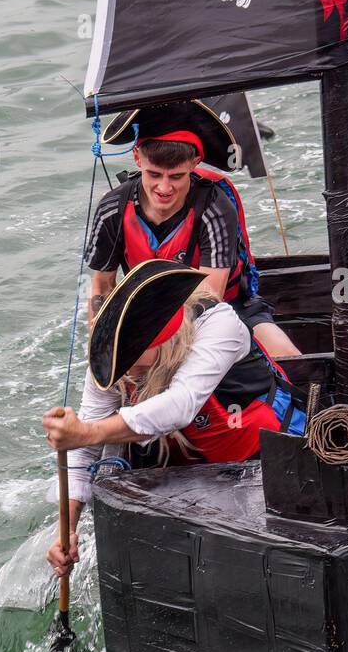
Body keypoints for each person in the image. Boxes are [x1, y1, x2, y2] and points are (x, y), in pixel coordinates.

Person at [43, 260, 306, 577]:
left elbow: (182, 403)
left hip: (269, 460)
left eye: (136, 368)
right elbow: (83, 450)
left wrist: (88, 432)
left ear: (166, 343)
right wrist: (67, 528)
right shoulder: (113, 361)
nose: (127, 376)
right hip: (194, 476)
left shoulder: (219, 325)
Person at [84, 98, 300, 359]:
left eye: (176, 176)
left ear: (195, 162)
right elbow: (102, 287)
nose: (164, 188)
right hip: (145, 320)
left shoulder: (214, 207)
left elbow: (209, 297)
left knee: (290, 358)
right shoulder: (112, 209)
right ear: (137, 159)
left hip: (226, 311)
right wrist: (101, 344)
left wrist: (166, 351)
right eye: (154, 174)